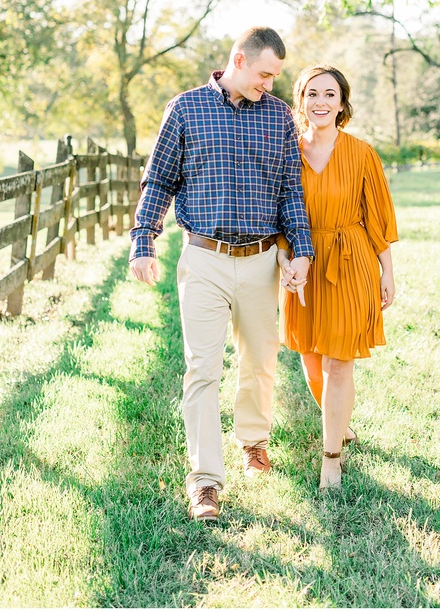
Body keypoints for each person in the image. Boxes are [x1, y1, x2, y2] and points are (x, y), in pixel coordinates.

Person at [129, 27, 313, 521]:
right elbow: (159, 180)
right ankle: (205, 481)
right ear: (238, 59)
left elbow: (290, 192)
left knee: (260, 361)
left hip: (259, 262)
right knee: (202, 368)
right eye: (264, 74)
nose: (270, 85)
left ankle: (253, 442)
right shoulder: (186, 109)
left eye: (275, 76)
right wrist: (143, 241)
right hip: (204, 258)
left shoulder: (278, 118)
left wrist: (302, 251)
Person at [278, 64, 398, 489]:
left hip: (351, 263)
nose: (321, 102)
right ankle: (339, 423)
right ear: (301, 101)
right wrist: (284, 259)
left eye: (330, 94)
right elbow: (275, 214)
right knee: (310, 361)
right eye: (312, 94)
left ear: (343, 103)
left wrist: (387, 271)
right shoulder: (286, 150)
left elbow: (377, 217)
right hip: (302, 265)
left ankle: (331, 456)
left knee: (337, 363)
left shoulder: (362, 153)